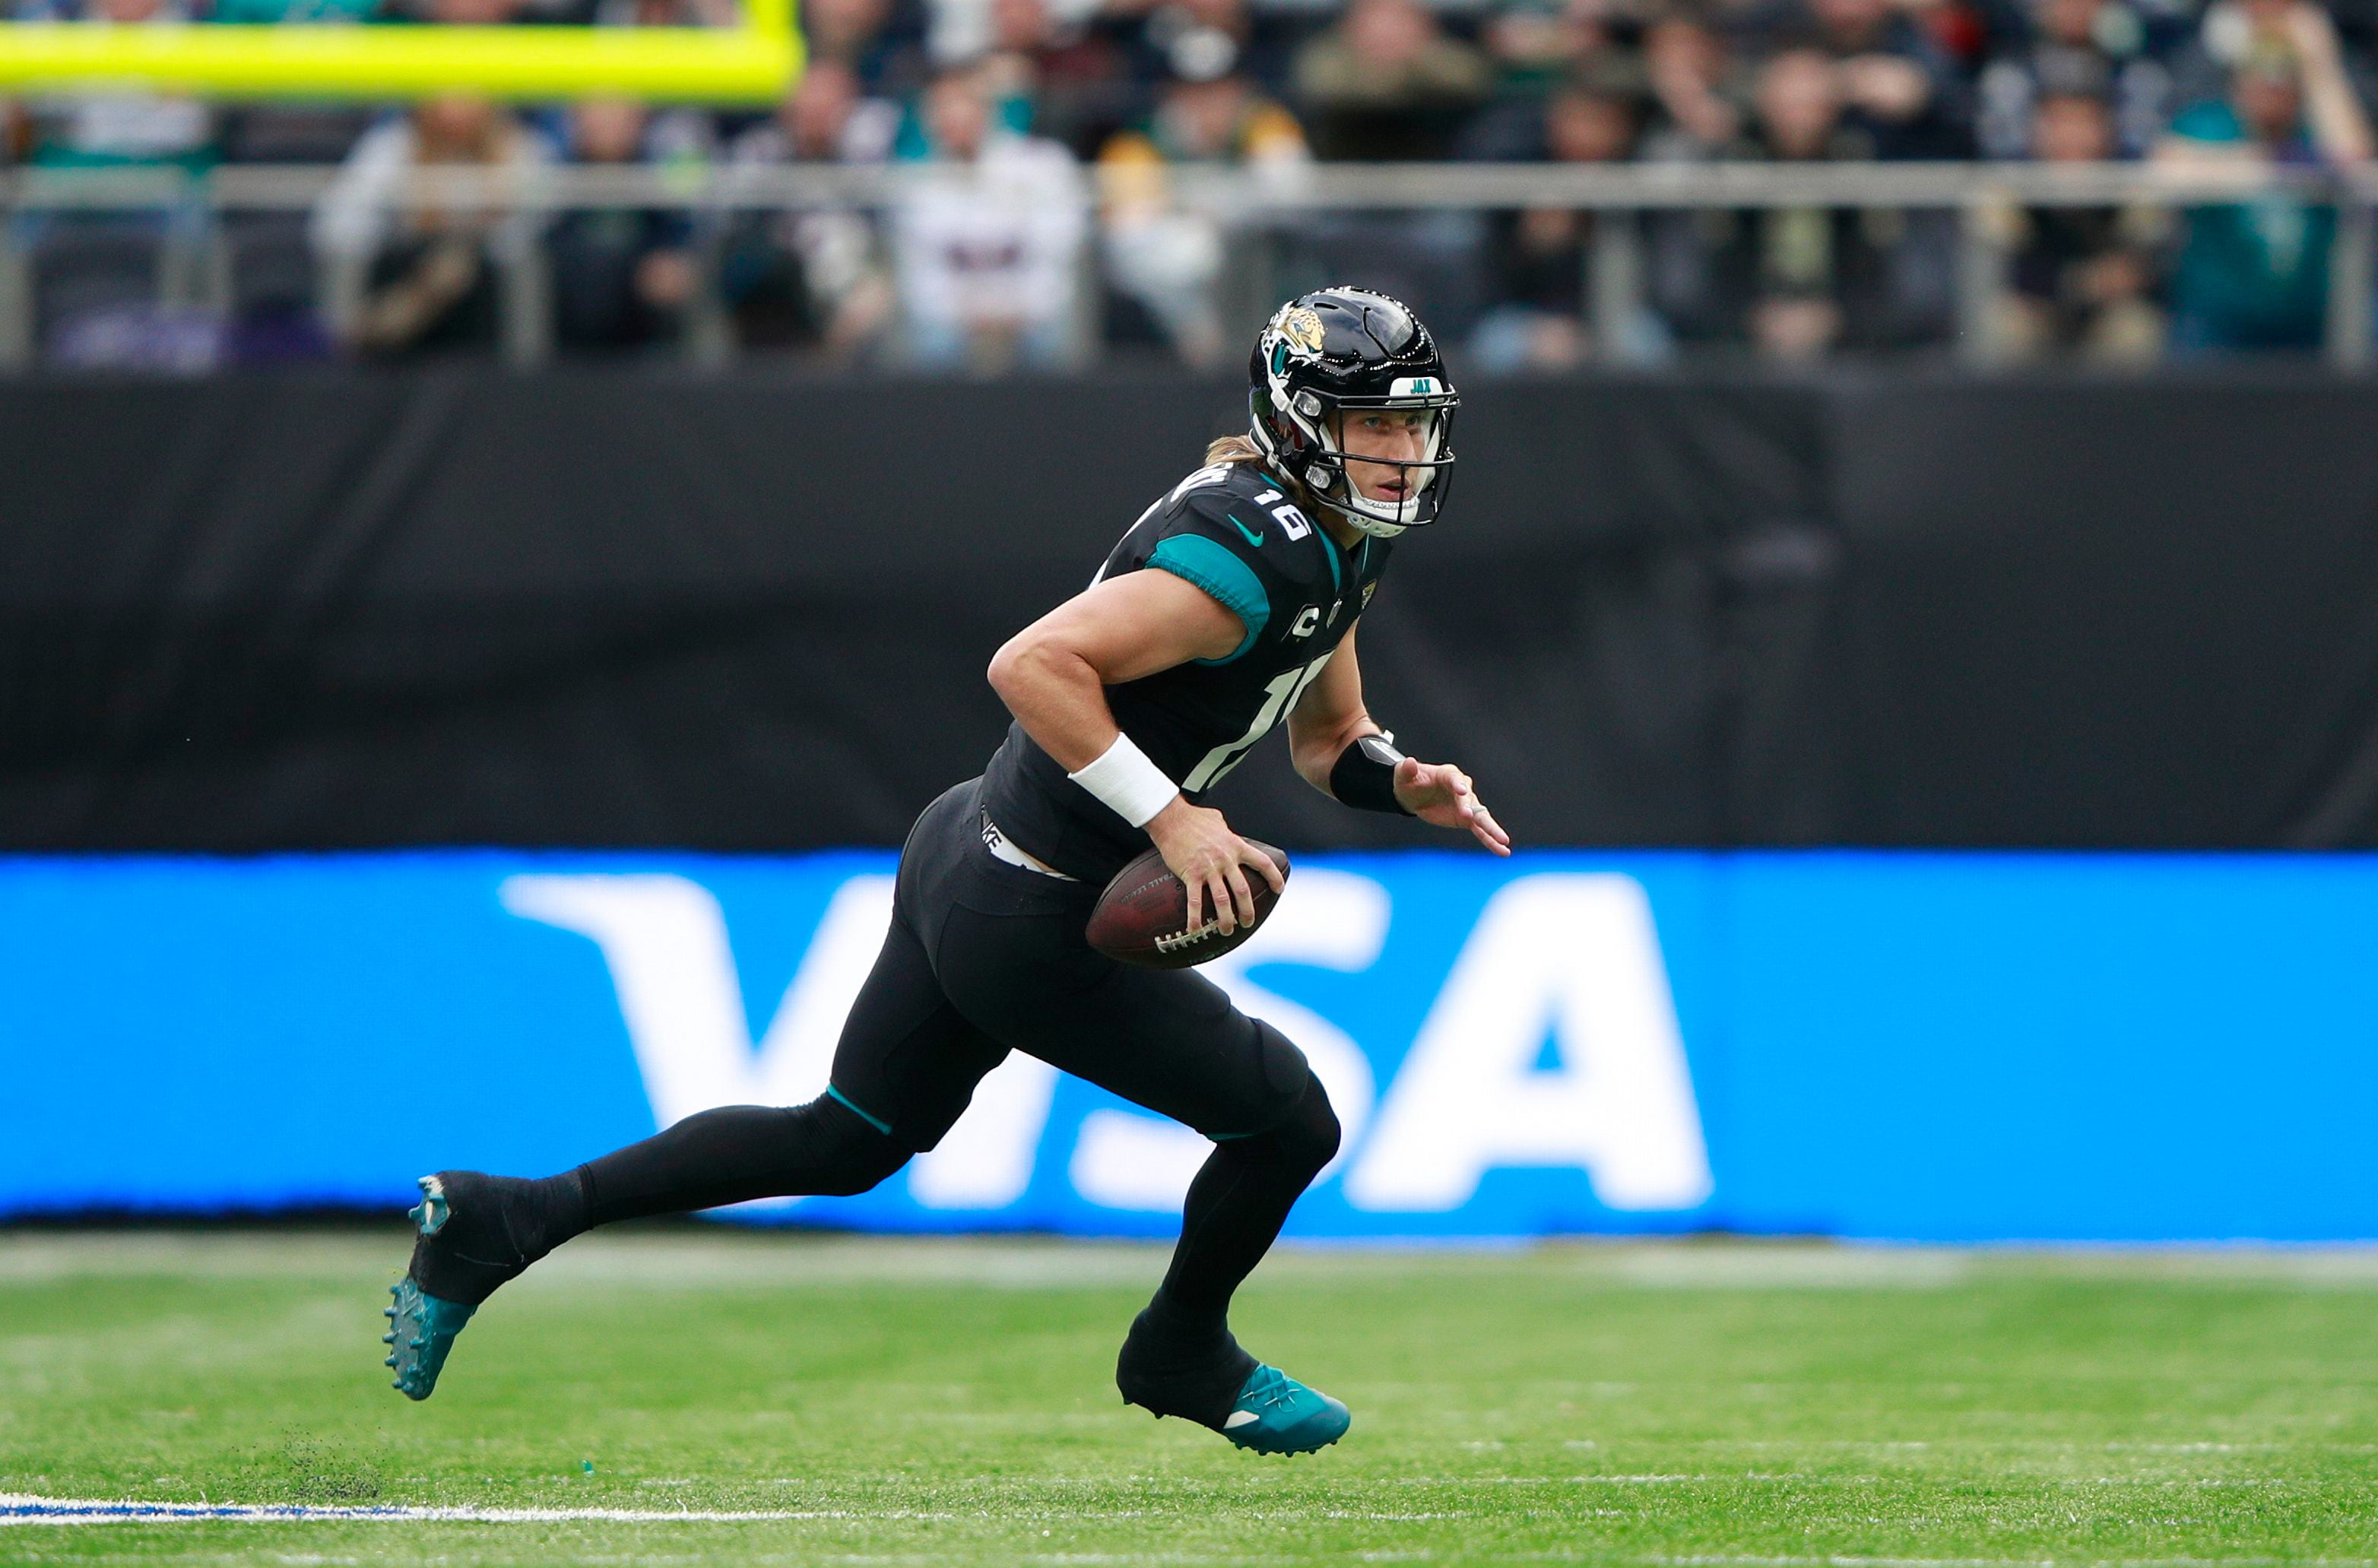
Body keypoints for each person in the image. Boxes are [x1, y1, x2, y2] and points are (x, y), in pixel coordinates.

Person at [382, 287, 1511, 1458]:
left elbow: (1327, 739)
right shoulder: (1250, 556)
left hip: (973, 848)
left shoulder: (1334, 540)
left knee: (847, 1139)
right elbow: (1032, 665)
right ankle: (1180, 1347)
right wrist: (1175, 822)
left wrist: (1400, 780)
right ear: (1295, 423)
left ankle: (506, 1217)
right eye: (1372, 424)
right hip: (1030, 908)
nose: (1402, 451)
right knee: (1289, 1122)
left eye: (1413, 424)